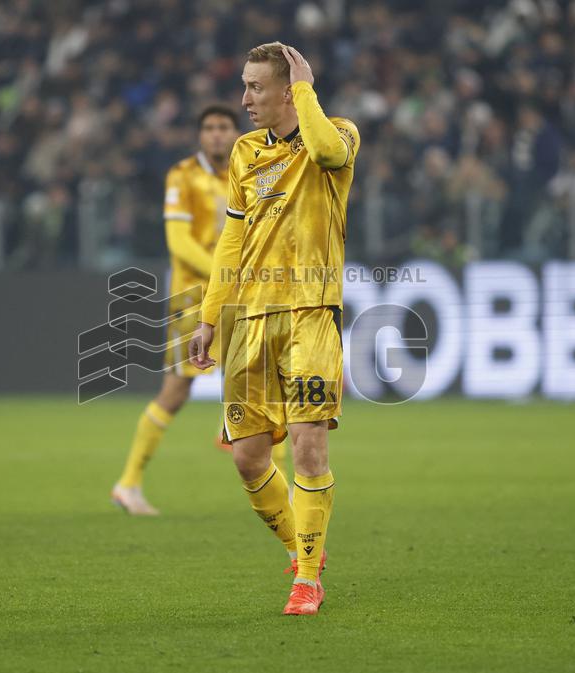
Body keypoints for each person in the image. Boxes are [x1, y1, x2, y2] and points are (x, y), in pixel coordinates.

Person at [189, 43, 360, 615]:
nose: (245, 99)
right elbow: (231, 243)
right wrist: (211, 316)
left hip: (310, 313)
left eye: (256, 88)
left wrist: (306, 89)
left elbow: (327, 150)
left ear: (290, 91)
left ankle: (307, 579)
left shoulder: (337, 135)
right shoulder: (243, 153)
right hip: (247, 320)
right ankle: (300, 549)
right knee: (248, 458)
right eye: (244, 86)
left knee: (310, 448)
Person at [111, 105, 241, 515]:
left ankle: (282, 491)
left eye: (224, 127)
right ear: (200, 136)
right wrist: (226, 273)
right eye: (209, 128)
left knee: (259, 390)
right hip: (193, 299)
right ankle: (128, 483)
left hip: (240, 298)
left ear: (235, 132)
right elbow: (179, 242)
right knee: (175, 390)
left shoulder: (248, 170)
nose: (217, 135)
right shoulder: (182, 175)